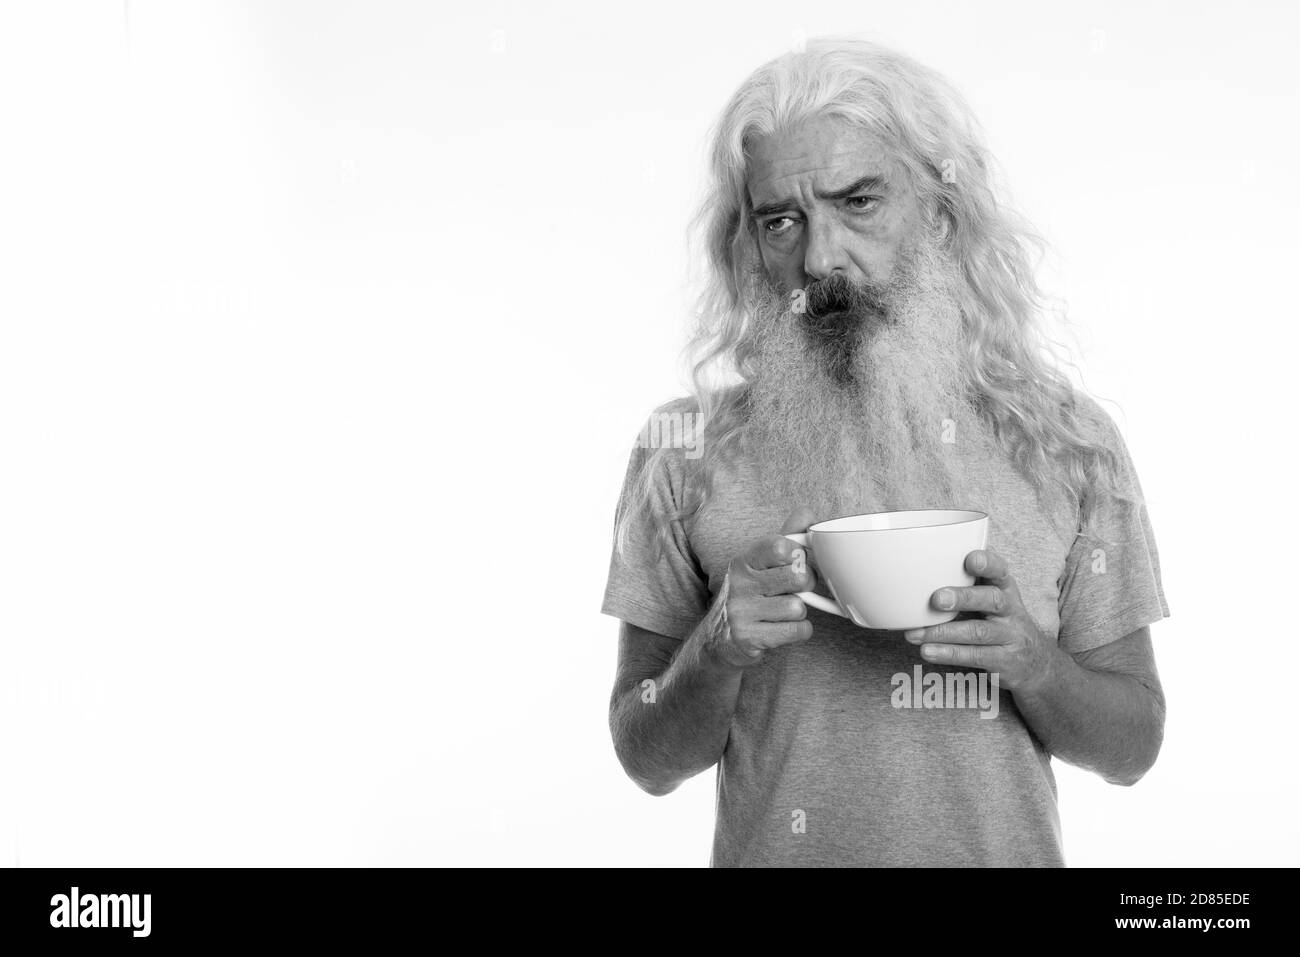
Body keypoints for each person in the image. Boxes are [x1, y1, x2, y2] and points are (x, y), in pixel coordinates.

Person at [602, 37, 1169, 867]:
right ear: (750, 244)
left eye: (859, 200)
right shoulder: (681, 453)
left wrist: (1034, 664)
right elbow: (645, 755)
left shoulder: (1066, 443)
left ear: (938, 211)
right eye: (781, 220)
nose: (820, 258)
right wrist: (715, 647)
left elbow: (1135, 744)